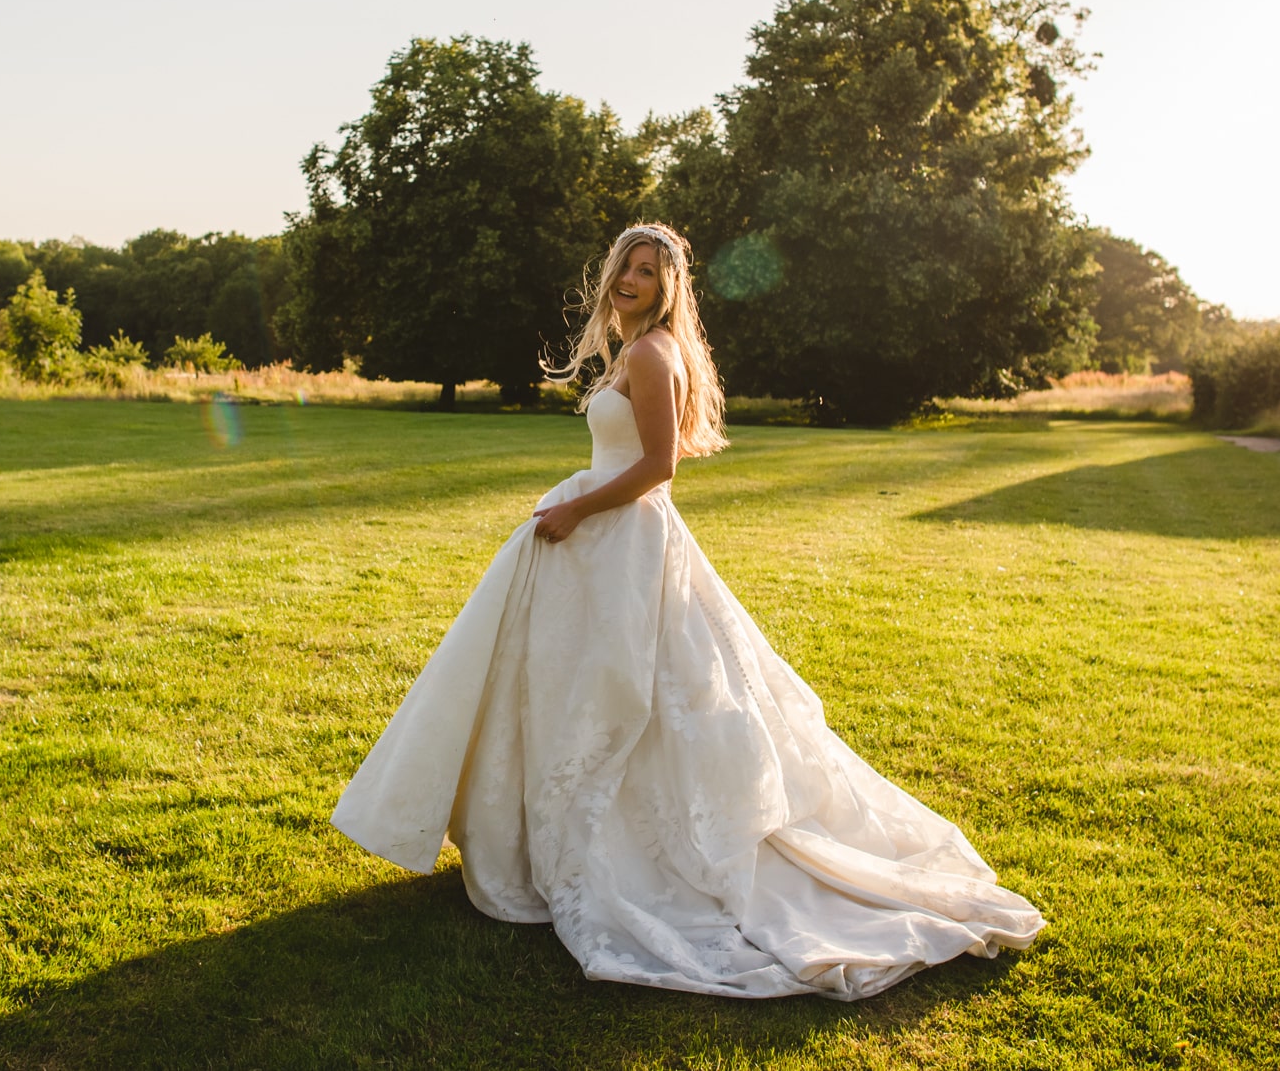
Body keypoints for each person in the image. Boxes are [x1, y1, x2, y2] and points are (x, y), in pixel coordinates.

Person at [330, 223, 1042, 1000]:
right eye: (626, 267)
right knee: (579, 688)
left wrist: (576, 509)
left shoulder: (649, 353)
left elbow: (659, 466)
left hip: (622, 539)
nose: (633, 279)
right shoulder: (636, 350)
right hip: (609, 541)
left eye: (649, 271)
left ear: (670, 286)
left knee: (625, 693)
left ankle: (623, 851)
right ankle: (550, 840)